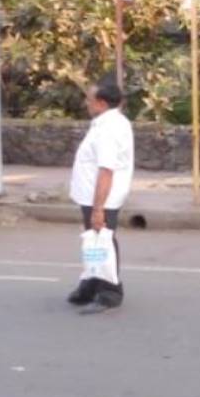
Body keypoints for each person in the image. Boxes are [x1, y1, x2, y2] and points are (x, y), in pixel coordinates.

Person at [67, 77, 134, 315]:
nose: (86, 102)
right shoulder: (105, 123)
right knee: (94, 241)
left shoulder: (109, 129)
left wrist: (98, 208)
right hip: (92, 196)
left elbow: (106, 170)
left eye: (90, 98)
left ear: (102, 103)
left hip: (102, 198)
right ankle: (91, 284)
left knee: (103, 241)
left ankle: (110, 291)